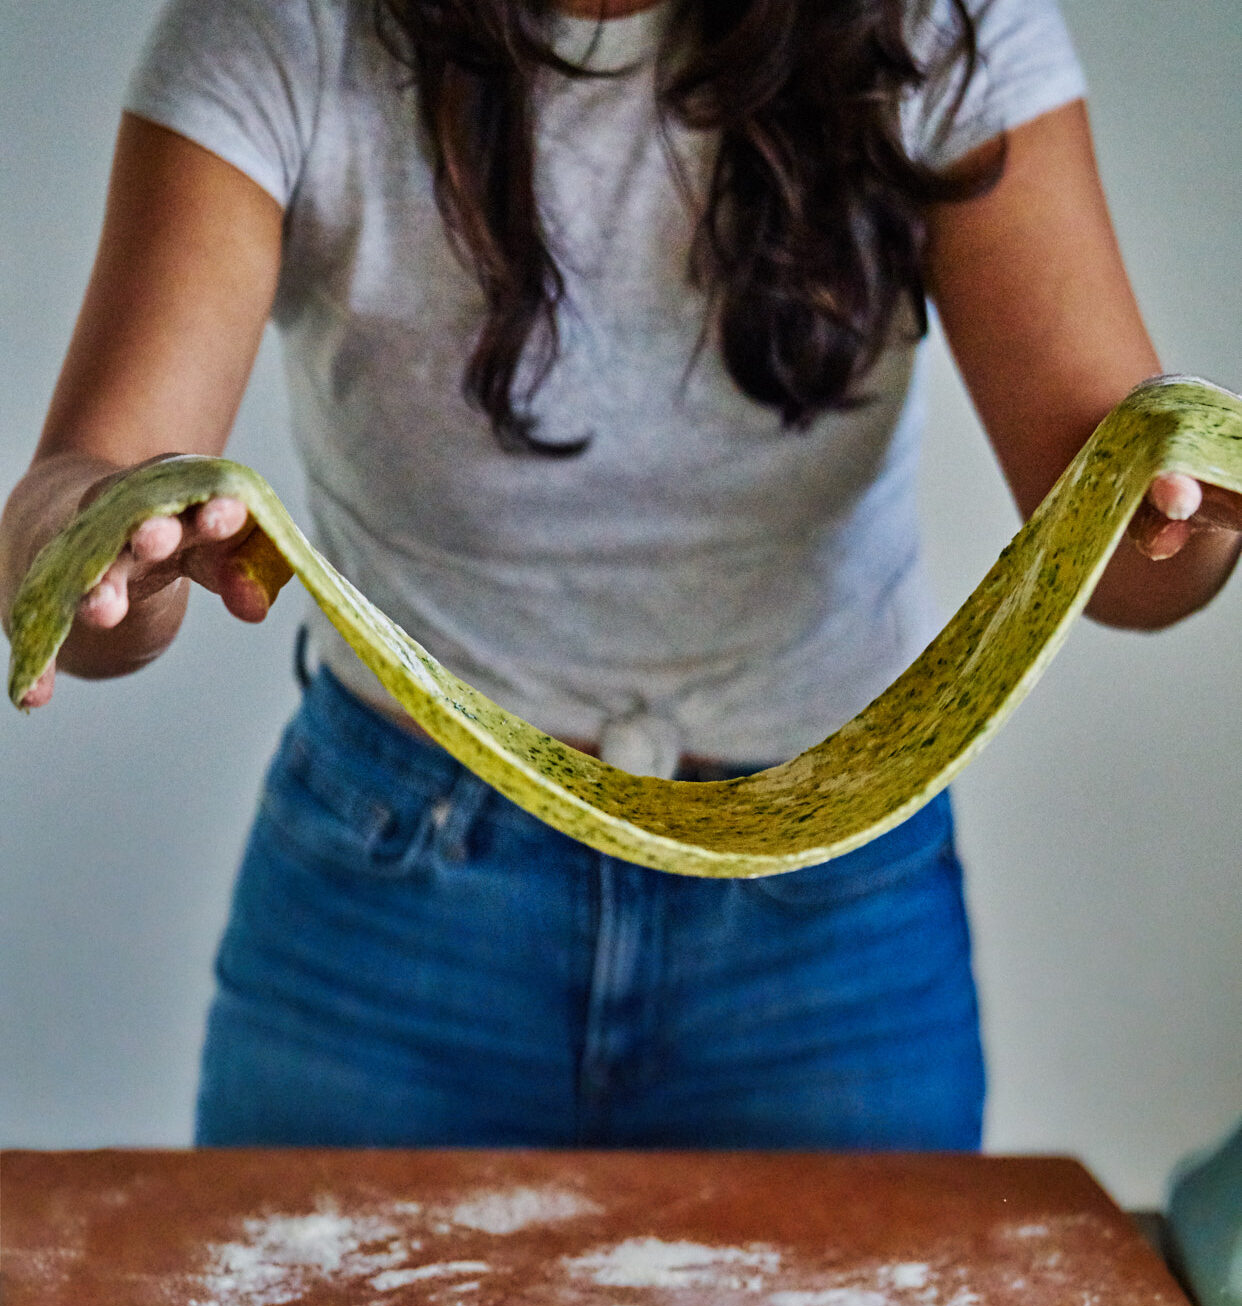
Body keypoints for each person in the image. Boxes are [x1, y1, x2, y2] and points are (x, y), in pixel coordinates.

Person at [2, 0, 1240, 1152]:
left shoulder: (943, 27)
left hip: (833, 921)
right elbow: (92, 488)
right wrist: (101, 546)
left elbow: (1136, 558)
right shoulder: (284, 30)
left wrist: (1196, 509)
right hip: (394, 896)